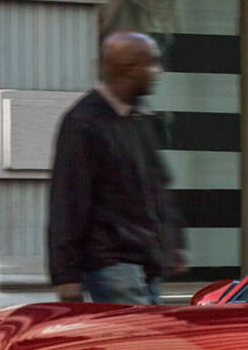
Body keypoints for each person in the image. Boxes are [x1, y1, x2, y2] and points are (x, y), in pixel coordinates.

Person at [48, 31, 186, 305]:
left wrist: (173, 242)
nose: (158, 71)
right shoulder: (84, 123)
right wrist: (67, 277)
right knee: (138, 340)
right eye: (152, 63)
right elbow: (68, 201)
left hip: (146, 259)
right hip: (111, 261)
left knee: (144, 341)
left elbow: (159, 186)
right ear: (129, 67)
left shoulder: (141, 117)